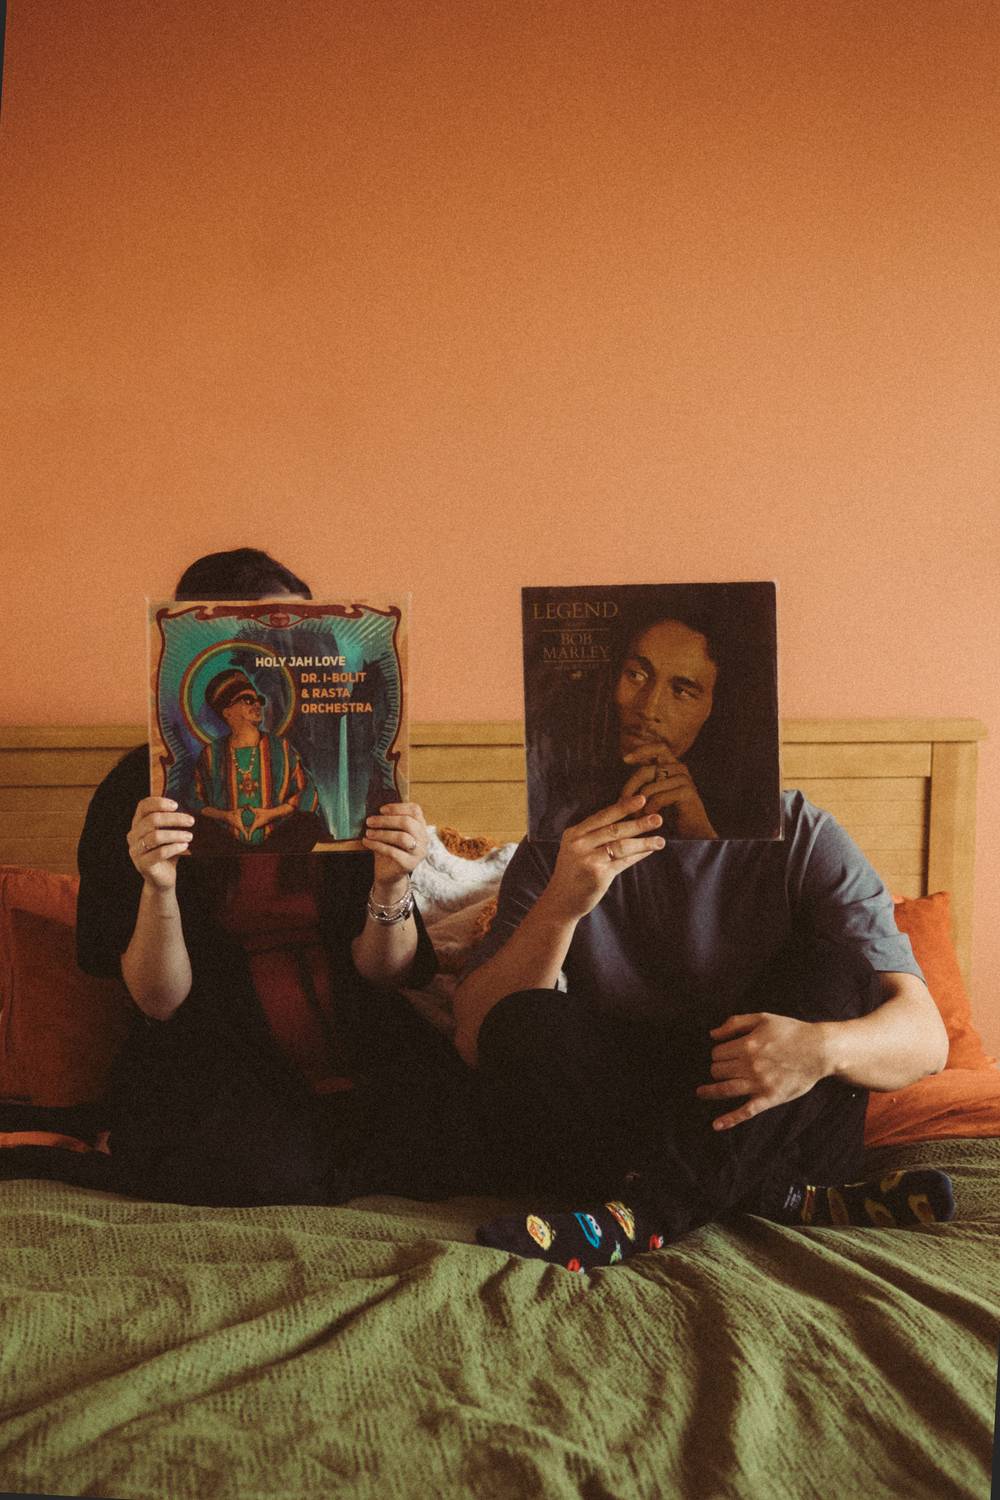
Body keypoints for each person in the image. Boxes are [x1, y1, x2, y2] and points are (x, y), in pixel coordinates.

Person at [454, 640, 954, 1270]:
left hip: (780, 1116)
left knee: (836, 971)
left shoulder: (804, 835)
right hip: (636, 1117)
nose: (650, 706)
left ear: (719, 711)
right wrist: (561, 906)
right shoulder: (561, 842)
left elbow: (927, 1040)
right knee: (523, 1017)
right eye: (636, 673)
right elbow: (478, 1037)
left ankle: (647, 1214)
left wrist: (821, 1048)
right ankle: (777, 1197)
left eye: (684, 689)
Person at [75, 548, 473, 1207]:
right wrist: (158, 886)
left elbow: (389, 973)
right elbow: (158, 1002)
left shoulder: (348, 777)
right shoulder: (136, 794)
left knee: (482, 1146)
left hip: (358, 1033)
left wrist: (391, 884)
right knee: (262, 1175)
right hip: (215, 1051)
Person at [188, 667, 326, 853]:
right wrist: (226, 816)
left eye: (259, 700)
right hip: (227, 845)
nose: (257, 705)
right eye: (247, 700)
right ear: (227, 712)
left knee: (308, 823)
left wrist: (270, 814)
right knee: (195, 827)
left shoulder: (280, 747)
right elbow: (194, 800)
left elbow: (306, 792)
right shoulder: (211, 753)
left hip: (275, 843)